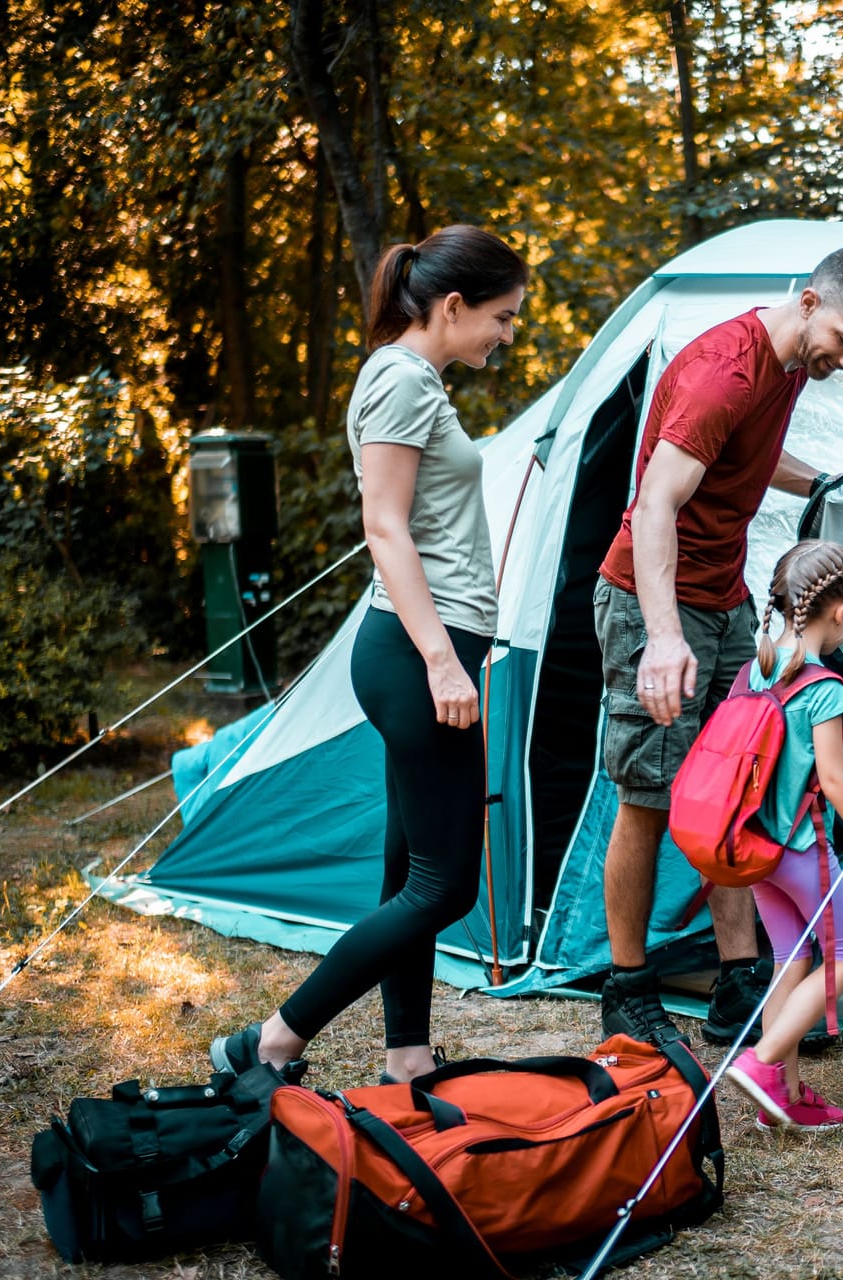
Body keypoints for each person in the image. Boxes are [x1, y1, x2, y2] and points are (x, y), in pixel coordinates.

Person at [208, 226, 529, 1084]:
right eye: (501, 317)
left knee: (410, 876)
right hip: (419, 649)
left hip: (428, 645)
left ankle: (407, 1058)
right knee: (445, 887)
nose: (507, 335)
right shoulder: (399, 379)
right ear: (453, 305)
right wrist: (442, 659)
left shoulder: (416, 379)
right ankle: (272, 1038)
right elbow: (383, 528)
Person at [594, 242, 843, 1048]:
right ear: (809, 301)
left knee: (739, 778)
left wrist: (826, 485)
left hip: (724, 599)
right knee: (649, 794)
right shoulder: (721, 373)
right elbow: (657, 504)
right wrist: (663, 640)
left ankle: (741, 981)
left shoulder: (789, 367)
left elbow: (747, 457)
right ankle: (625, 987)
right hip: (650, 601)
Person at [723, 541, 843, 1131]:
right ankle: (762, 1067)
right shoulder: (825, 688)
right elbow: (834, 782)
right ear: (839, 612)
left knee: (791, 955)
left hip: (752, 846)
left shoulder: (754, 668)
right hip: (802, 848)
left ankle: (779, 1095)